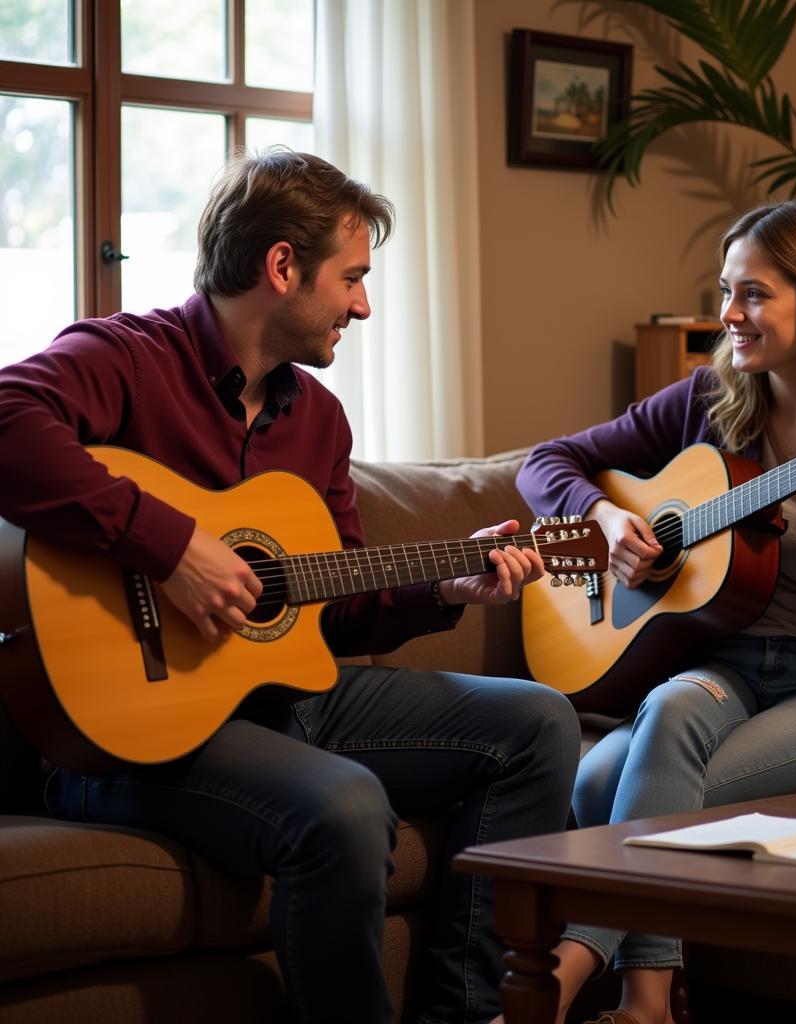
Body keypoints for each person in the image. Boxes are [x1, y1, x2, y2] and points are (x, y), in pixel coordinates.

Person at [0, 148, 581, 1024]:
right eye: (352, 278)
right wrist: (172, 547)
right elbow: (7, 422)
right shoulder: (126, 356)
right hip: (125, 732)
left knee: (538, 721)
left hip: (281, 702)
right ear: (282, 267)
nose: (363, 303)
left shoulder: (318, 419)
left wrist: (447, 588)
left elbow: (334, 610)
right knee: (346, 804)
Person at [513, 198, 796, 1024]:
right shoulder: (709, 401)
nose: (728, 315)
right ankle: (652, 999)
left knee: (612, 781)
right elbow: (546, 464)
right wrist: (601, 520)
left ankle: (585, 977)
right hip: (724, 670)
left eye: (753, 294)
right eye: (725, 290)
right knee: (638, 734)